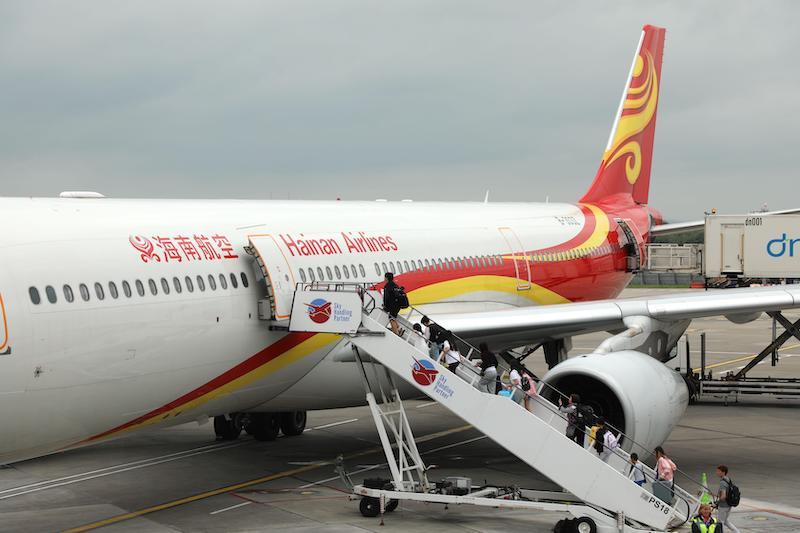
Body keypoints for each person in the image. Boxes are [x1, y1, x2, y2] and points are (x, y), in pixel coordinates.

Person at [715, 465, 740, 533]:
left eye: (718, 471)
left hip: (723, 506)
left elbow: (723, 496)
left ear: (723, 472)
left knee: (720, 523)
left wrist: (717, 502)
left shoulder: (722, 482)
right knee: (725, 521)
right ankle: (737, 532)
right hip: (729, 504)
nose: (717, 472)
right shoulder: (728, 479)